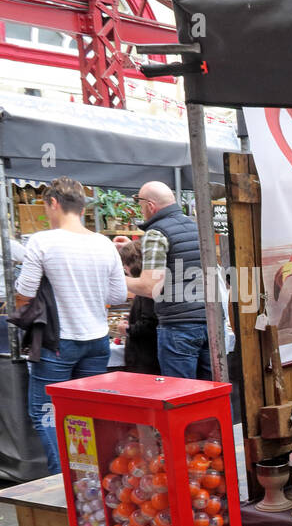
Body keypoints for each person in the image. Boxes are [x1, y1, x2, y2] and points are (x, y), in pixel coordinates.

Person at [14, 176, 128, 473]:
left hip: (58, 342)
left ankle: (62, 482)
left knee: (46, 415)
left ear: (53, 203)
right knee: (87, 413)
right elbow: (116, 295)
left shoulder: (43, 241)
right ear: (81, 207)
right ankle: (91, 481)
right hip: (97, 340)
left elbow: (24, 294)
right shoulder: (104, 244)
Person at [127, 181, 209, 380]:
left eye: (139, 204)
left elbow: (150, 287)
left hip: (179, 327)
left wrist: (115, 278)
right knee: (213, 395)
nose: (141, 210)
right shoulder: (196, 227)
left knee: (179, 397)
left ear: (150, 206)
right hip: (210, 322)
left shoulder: (156, 233)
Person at [114, 239, 161, 375]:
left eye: (124, 265)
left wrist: (127, 329)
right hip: (148, 357)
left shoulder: (146, 289)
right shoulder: (152, 282)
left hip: (145, 360)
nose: (124, 270)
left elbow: (150, 324)